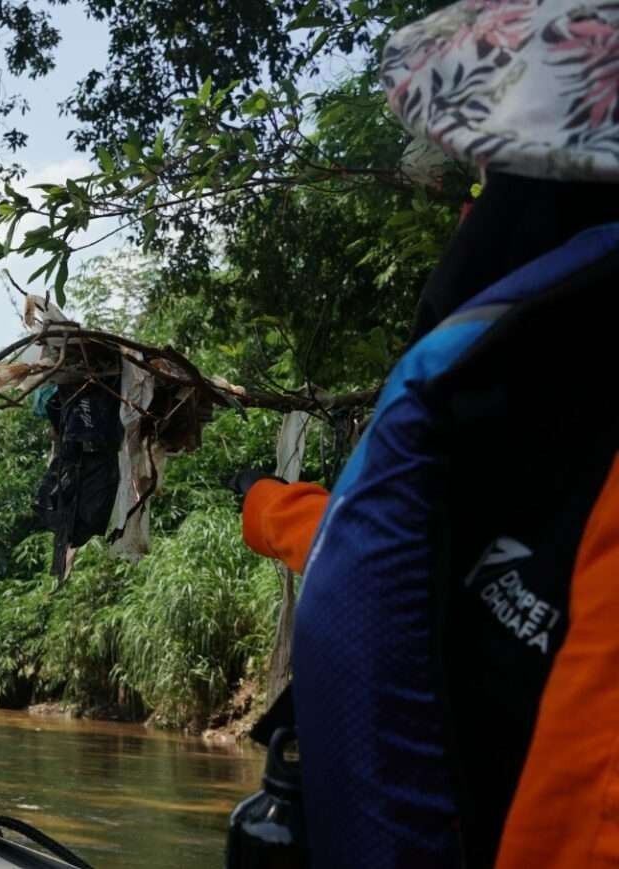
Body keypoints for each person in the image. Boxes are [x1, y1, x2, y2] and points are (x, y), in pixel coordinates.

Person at [232, 1, 619, 866]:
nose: (471, 219)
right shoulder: (537, 414)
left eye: (498, 186)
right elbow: (410, 554)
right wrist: (261, 506)